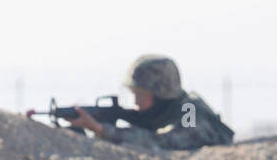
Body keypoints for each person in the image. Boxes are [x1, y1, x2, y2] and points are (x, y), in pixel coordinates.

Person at [68, 54, 233, 151]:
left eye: (139, 95)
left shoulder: (189, 110)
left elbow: (166, 143)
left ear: (161, 94)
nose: (135, 103)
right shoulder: (163, 113)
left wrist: (102, 129)